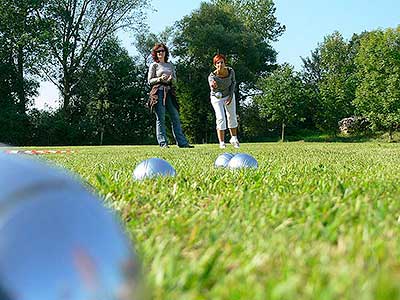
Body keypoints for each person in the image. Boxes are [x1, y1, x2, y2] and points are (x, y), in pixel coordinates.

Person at [147, 43, 193, 148]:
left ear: (165, 52)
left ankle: (182, 143)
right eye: (158, 51)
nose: (161, 53)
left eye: (162, 51)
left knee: (175, 117)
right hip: (158, 92)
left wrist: (171, 79)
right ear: (155, 53)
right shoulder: (154, 65)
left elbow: (176, 81)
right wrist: (160, 79)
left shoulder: (170, 65)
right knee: (161, 118)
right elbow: (149, 81)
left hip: (170, 92)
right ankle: (163, 143)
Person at [208, 54, 240, 149]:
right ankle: (222, 143)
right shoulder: (212, 76)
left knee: (232, 116)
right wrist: (213, 86)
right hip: (217, 97)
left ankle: (234, 138)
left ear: (225, 63)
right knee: (221, 118)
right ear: (215, 65)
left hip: (229, 95)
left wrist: (230, 96)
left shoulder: (230, 71)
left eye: (222, 62)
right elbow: (212, 88)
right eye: (218, 63)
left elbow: (233, 83)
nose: (220, 64)